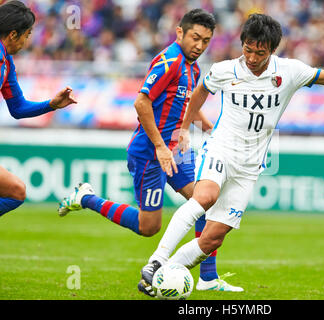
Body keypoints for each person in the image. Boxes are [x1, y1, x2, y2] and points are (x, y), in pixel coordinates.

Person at [138, 13, 324, 295]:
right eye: (247, 49)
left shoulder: (290, 71)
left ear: (273, 50)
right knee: (204, 197)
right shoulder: (225, 70)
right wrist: (187, 128)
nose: (251, 57)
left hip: (250, 165)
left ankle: (161, 277)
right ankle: (156, 262)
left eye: (259, 53)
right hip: (220, 149)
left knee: (214, 237)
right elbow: (200, 92)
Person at [58, 9, 243, 293]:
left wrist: (210, 130)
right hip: (149, 152)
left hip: (175, 151)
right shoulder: (169, 61)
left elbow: (186, 108)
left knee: (204, 200)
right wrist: (159, 147)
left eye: (206, 40)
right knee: (149, 226)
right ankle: (86, 197)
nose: (200, 45)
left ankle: (207, 278)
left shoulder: (193, 68)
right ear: (180, 32)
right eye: (195, 37)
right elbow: (141, 103)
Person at [0, 0, 77, 218]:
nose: (26, 42)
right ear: (14, 35)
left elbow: (18, 107)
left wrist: (51, 104)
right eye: (27, 35)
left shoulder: (6, 62)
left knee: (16, 192)